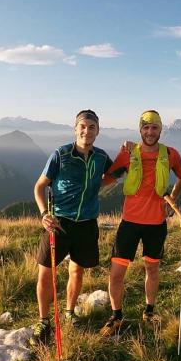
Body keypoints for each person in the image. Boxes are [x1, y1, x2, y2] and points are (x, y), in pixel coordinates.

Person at [100, 109, 181, 336]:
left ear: (160, 129)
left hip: (156, 223)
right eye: (146, 128)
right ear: (140, 130)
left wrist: (172, 200)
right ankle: (116, 315)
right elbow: (110, 177)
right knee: (117, 273)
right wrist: (84, 191)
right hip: (129, 222)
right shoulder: (128, 153)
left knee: (152, 269)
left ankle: (149, 311)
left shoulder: (171, 154)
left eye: (154, 127)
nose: (150, 132)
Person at [31, 109, 113, 345]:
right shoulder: (61, 154)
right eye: (83, 126)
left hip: (87, 223)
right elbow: (39, 187)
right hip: (59, 222)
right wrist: (44, 214)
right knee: (46, 273)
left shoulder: (100, 156)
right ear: (75, 128)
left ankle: (69, 313)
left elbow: (113, 174)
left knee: (77, 271)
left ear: (98, 131)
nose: (87, 131)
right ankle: (43, 320)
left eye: (92, 127)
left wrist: (96, 187)